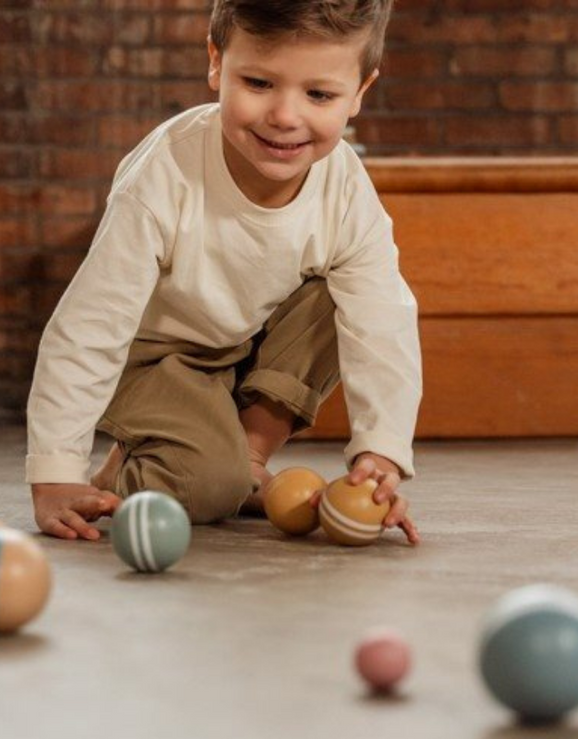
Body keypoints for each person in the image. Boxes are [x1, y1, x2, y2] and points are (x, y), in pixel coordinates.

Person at [27, 0, 422, 545]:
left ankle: (249, 457)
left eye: (319, 94)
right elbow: (91, 326)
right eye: (258, 82)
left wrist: (382, 453)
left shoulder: (345, 189)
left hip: (236, 349)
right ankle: (131, 468)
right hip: (146, 358)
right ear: (217, 62)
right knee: (209, 487)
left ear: (359, 92)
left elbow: (383, 325)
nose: (285, 116)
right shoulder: (166, 175)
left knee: (352, 295)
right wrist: (55, 474)